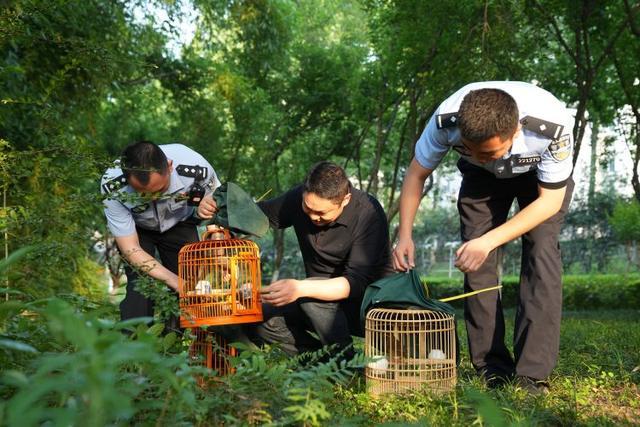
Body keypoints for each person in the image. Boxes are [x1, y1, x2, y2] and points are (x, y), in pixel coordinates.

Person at [392, 81, 574, 395]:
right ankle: (492, 368)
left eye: (487, 151)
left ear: (515, 132)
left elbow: (550, 202)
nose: (478, 156)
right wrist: (404, 234)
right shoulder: (445, 121)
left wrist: (489, 241)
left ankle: (532, 374)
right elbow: (416, 174)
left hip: (539, 182)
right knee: (474, 263)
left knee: (542, 252)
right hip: (481, 183)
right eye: (470, 149)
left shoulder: (551, 128)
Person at [197, 161, 394, 359]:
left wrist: (300, 288)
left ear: (345, 199)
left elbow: (355, 282)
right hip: (317, 302)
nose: (313, 217)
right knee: (260, 316)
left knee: (311, 297)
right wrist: (217, 212)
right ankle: (320, 364)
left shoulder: (368, 212)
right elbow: (257, 216)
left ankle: (346, 365)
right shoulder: (300, 198)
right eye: (308, 208)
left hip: (367, 308)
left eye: (321, 213)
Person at [101, 141, 220, 324]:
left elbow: (214, 197)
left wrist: (207, 203)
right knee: (140, 288)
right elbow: (131, 249)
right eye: (143, 195)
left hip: (180, 222)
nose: (154, 199)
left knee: (192, 283)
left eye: (160, 190)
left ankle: (175, 342)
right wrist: (175, 281)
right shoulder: (113, 186)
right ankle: (136, 346)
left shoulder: (195, 166)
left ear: (170, 166)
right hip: (137, 230)